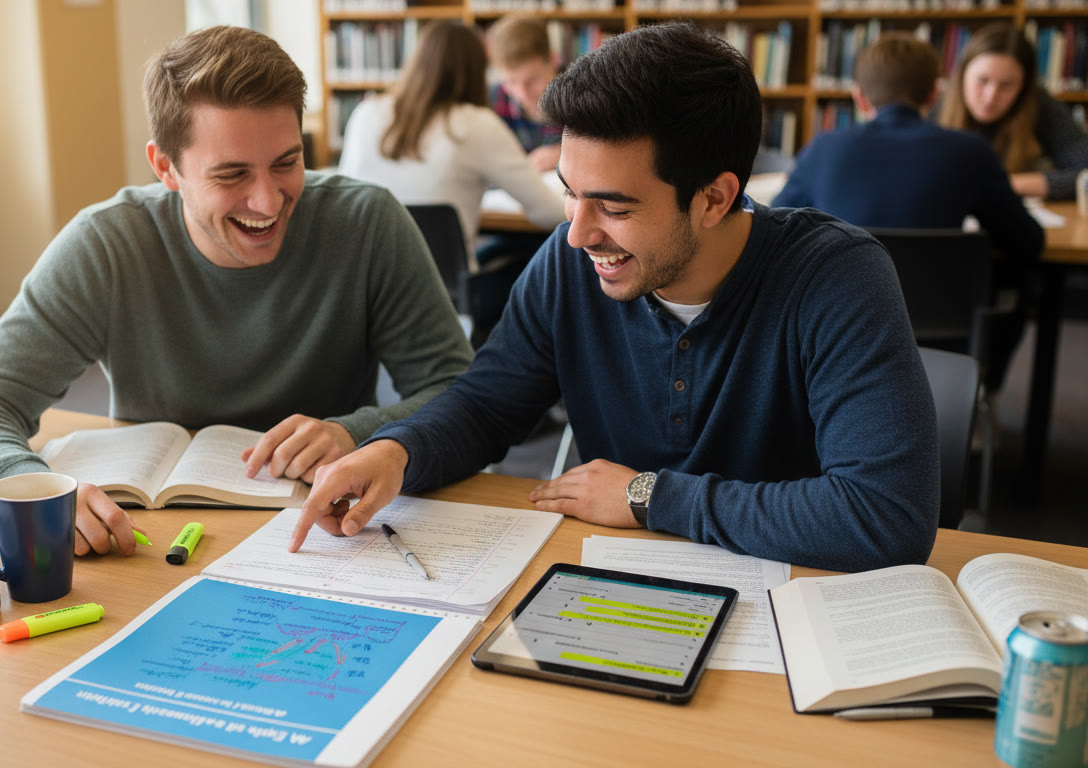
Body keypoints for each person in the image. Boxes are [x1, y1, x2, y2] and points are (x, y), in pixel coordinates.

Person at [288, 22, 940, 573]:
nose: (576, 233)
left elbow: (884, 514)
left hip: (792, 596)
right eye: (572, 192)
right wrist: (396, 451)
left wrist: (646, 496)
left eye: (614, 207)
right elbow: (489, 404)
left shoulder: (836, 277)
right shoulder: (571, 262)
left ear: (714, 197)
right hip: (621, 575)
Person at [0, 26, 473, 557]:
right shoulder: (107, 243)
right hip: (145, 538)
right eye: (232, 175)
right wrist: (30, 489)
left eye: (286, 163)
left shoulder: (367, 222)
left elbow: (459, 390)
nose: (267, 201)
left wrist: (359, 432)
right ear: (165, 167)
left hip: (328, 535)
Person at [774, 33, 1044, 390]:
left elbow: (775, 231)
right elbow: (1026, 243)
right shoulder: (970, 152)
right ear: (934, 94)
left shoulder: (824, 148)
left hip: (839, 332)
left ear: (858, 97)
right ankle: (979, 399)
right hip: (943, 339)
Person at [337, 20, 564, 273]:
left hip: (368, 288)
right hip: (446, 299)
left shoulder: (365, 112)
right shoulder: (477, 124)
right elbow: (550, 212)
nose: (520, 92)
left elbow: (346, 202)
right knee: (531, 270)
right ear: (477, 71)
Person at [937, 22, 1088, 200]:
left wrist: (1003, 184)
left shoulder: (1040, 105)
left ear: (1023, 87)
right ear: (962, 75)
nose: (991, 96)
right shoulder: (937, 107)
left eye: (1006, 85)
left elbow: (1084, 174)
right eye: (983, 80)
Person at [485, 14, 563, 174]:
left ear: (553, 60)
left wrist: (566, 157)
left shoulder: (582, 99)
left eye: (532, 80)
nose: (522, 94)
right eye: (511, 82)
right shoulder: (491, 101)